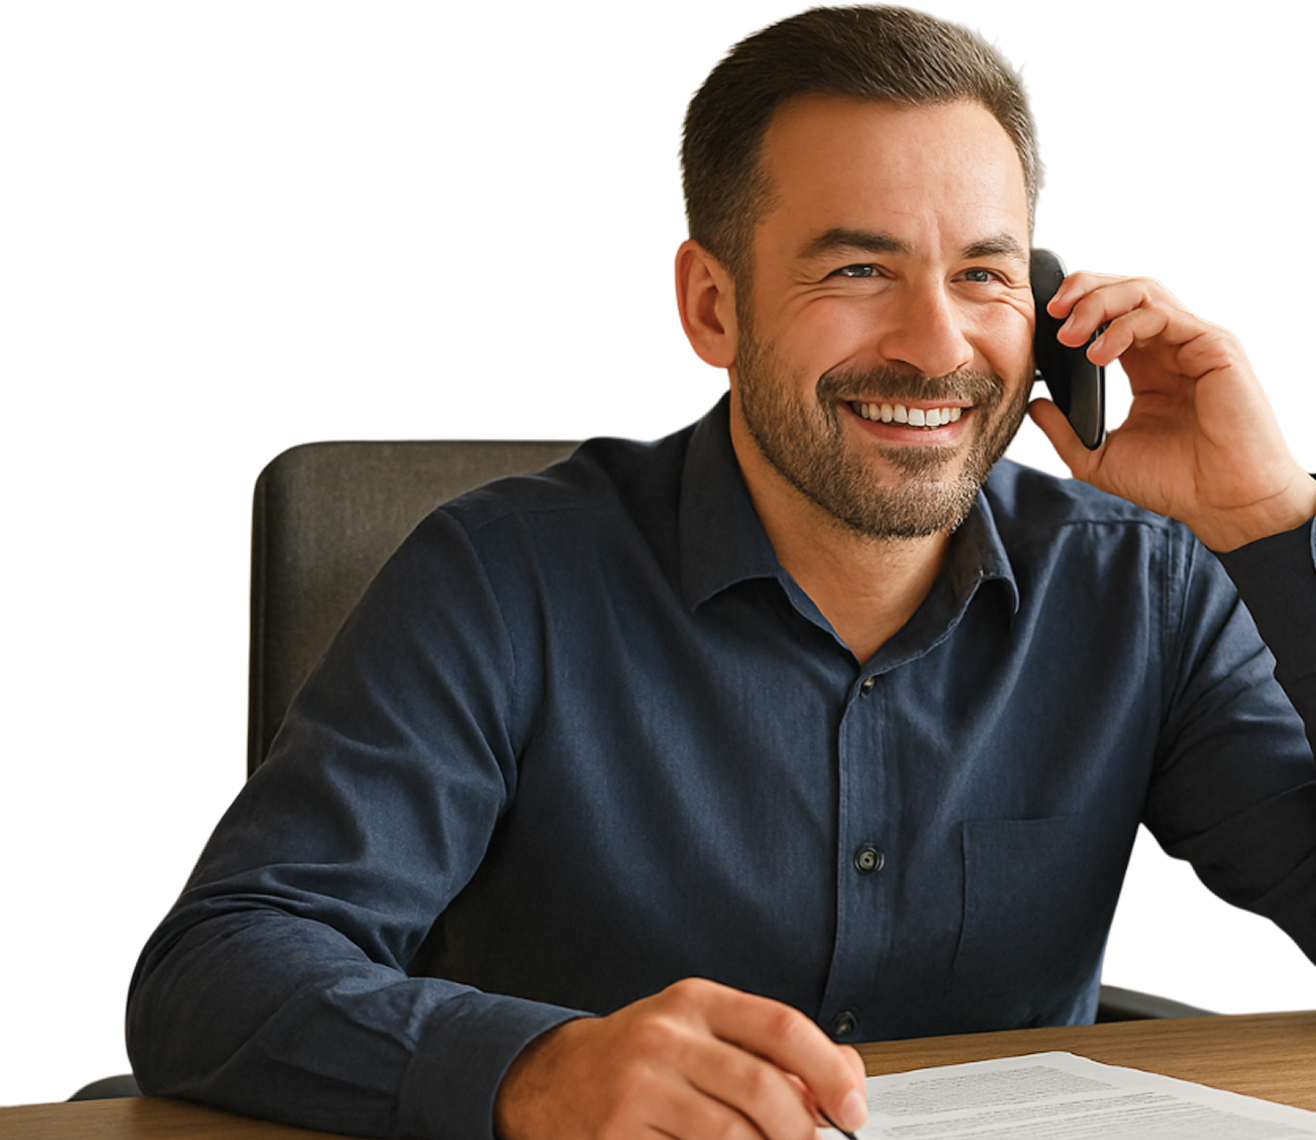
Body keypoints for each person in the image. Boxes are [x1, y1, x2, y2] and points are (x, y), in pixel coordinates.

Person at [126, 5, 1315, 1139]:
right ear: (710, 305)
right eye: (856, 271)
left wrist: (1273, 530)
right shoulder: (501, 578)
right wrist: (530, 1072)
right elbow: (215, 967)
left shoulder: (1141, 588)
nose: (937, 345)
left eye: (982, 274)